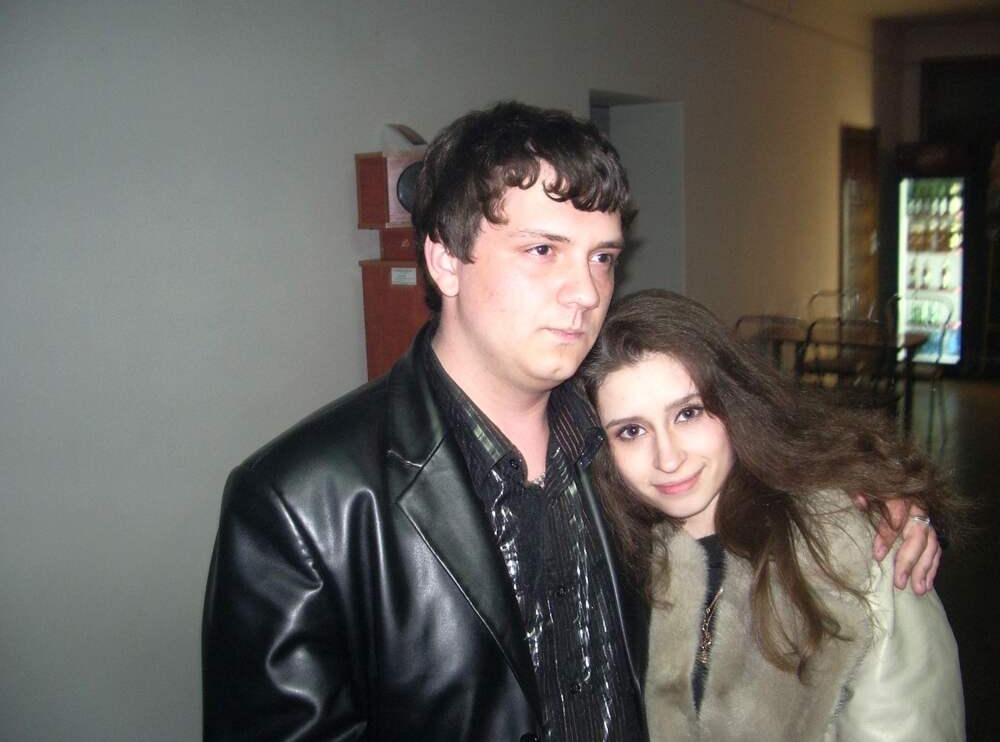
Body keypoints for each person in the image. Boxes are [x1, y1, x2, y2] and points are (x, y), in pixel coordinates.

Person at [202, 102, 939, 742]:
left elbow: (765, 476)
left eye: (603, 258)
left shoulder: (623, 438)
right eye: (543, 250)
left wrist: (863, 508)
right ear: (445, 261)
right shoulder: (302, 504)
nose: (586, 292)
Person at [579, 289, 964, 741]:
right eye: (631, 431)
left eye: (688, 413)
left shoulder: (853, 547)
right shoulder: (609, 561)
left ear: (733, 403)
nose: (668, 458)